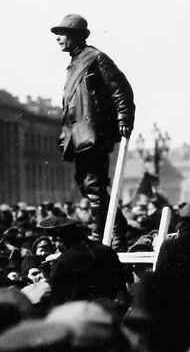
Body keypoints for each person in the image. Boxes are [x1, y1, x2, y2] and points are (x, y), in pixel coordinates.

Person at [52, 14, 135, 240]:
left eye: (62, 33)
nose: (58, 38)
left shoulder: (96, 58)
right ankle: (118, 229)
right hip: (79, 135)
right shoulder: (74, 64)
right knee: (86, 186)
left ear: (77, 36)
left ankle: (100, 235)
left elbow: (121, 89)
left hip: (93, 133)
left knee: (94, 185)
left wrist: (124, 118)